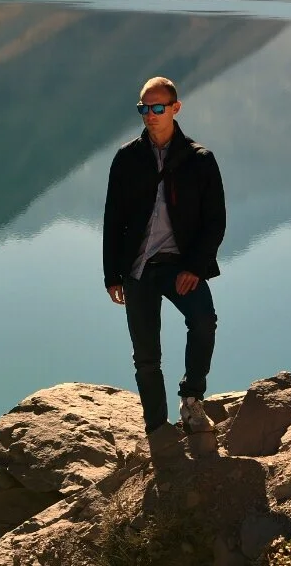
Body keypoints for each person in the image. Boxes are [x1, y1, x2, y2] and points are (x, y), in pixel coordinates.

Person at [102, 76, 227, 435]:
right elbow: (113, 219)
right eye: (144, 108)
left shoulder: (200, 160)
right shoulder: (126, 159)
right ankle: (157, 427)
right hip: (137, 268)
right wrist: (112, 275)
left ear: (175, 108)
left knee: (203, 321)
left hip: (179, 266)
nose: (151, 115)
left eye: (158, 108)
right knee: (146, 357)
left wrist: (195, 267)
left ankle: (191, 399)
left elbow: (214, 221)